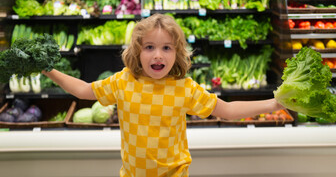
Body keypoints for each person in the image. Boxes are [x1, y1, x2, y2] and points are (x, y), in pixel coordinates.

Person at [42, 13, 284, 177]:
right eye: (149, 47)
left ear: (177, 53)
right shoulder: (123, 81)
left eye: (166, 47)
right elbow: (84, 90)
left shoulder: (184, 87)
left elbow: (227, 111)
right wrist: (48, 69)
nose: (158, 55)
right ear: (137, 52)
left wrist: (276, 102)